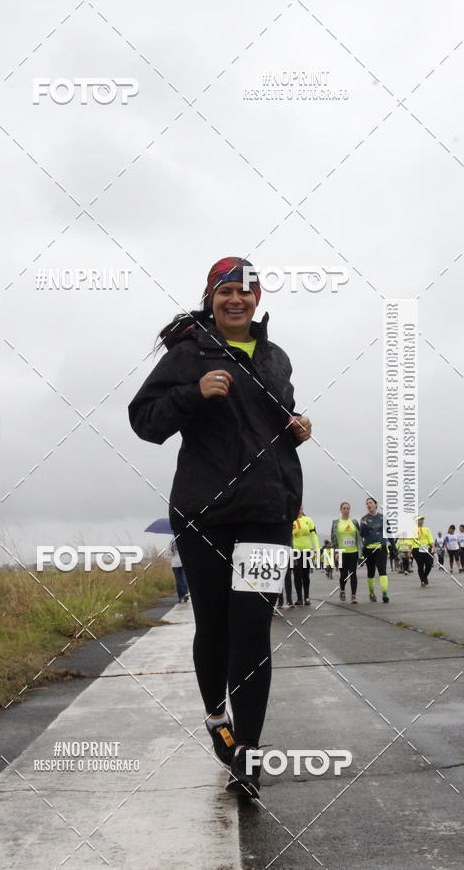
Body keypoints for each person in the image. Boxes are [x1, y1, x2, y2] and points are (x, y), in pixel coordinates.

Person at [128, 256, 311, 799]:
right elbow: (145, 421)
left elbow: (272, 418)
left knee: (253, 633)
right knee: (216, 627)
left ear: (258, 300)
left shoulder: (276, 357)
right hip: (204, 515)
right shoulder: (190, 353)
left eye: (246, 292)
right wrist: (192, 392)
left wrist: (295, 428)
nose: (236, 300)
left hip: (267, 514)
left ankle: (248, 758)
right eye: (226, 291)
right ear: (211, 297)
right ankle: (217, 719)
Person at [330, 501, 362, 603]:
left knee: (353, 573)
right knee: (343, 574)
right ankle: (342, 590)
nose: (346, 510)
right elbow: (333, 538)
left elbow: (359, 536)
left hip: (353, 551)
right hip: (341, 552)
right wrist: (336, 552)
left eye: (348, 508)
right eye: (344, 508)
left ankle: (353, 596)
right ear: (341, 510)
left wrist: (361, 551)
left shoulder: (354, 522)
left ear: (350, 510)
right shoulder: (336, 523)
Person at [360, 497, 389, 603]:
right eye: (367, 503)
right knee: (371, 572)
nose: (369, 505)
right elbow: (362, 535)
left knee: (382, 570)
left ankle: (385, 593)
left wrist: (394, 548)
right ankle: (372, 593)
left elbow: (389, 533)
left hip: (381, 548)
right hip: (368, 549)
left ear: (376, 504)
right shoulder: (364, 518)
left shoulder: (383, 517)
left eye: (371, 503)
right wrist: (364, 527)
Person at [291, 507, 319, 605]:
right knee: (297, 574)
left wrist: (317, 548)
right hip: (295, 551)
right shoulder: (291, 521)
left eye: (301, 508)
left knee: (305, 574)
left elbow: (314, 534)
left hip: (307, 550)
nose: (299, 509)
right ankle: (299, 598)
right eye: (298, 507)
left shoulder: (308, 520)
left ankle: (306, 597)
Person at [411, 516, 434, 586]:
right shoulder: (413, 530)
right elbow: (411, 541)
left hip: (426, 548)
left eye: (422, 520)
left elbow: (430, 539)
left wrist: (433, 547)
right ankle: (422, 581)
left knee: (429, 564)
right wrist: (410, 550)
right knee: (420, 565)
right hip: (417, 548)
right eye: (420, 520)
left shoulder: (427, 529)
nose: (421, 521)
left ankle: (424, 576)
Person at [168, 537, 189, 602]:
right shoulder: (172, 541)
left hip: (183, 563)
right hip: (175, 564)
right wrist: (171, 550)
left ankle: (185, 594)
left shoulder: (183, 539)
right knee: (178, 581)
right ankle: (181, 597)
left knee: (183, 579)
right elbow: (169, 553)